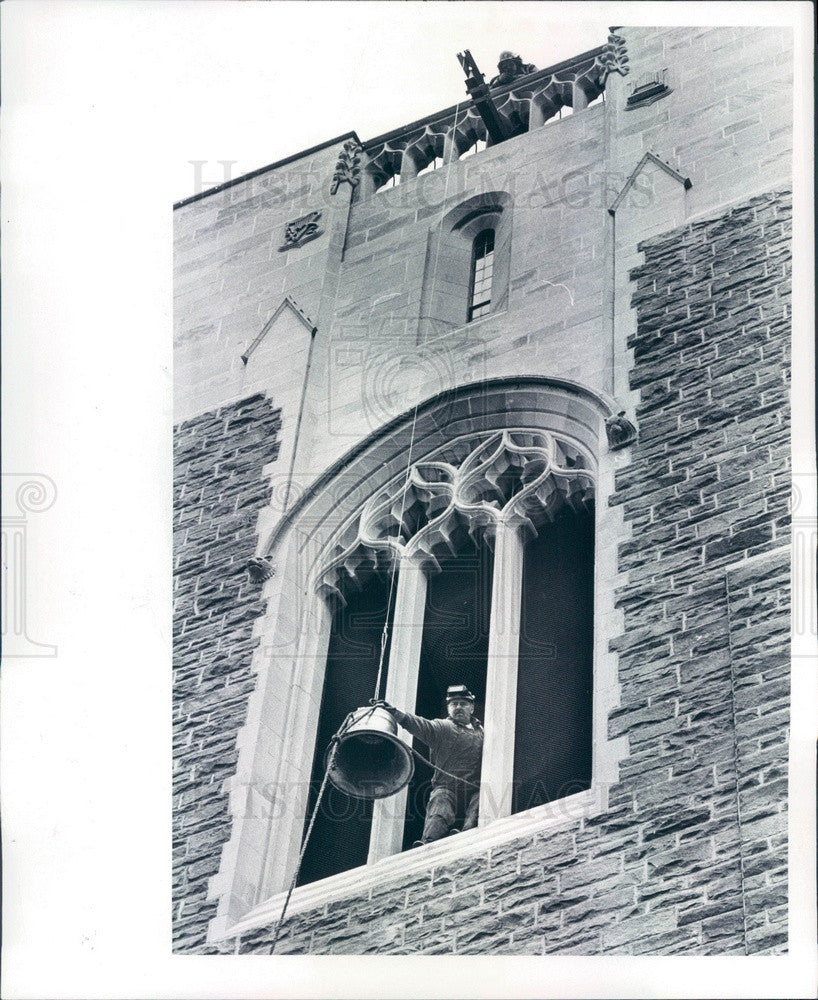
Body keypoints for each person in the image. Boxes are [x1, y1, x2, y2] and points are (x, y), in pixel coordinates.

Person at [379, 685, 484, 846]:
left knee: (481, 799)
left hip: (473, 788)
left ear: (471, 707)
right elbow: (419, 724)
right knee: (440, 804)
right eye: (454, 704)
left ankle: (467, 835)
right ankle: (429, 842)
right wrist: (396, 714)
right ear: (448, 708)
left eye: (463, 704)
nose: (458, 707)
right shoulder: (443, 728)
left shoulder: (482, 732)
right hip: (447, 787)